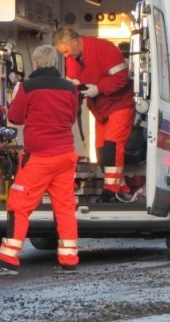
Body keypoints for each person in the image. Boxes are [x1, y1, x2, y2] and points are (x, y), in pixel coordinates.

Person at [0, 45, 80, 276]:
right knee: (64, 207)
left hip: (40, 158)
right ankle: (69, 259)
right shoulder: (70, 88)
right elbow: (72, 117)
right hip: (65, 156)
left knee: (19, 206)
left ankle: (8, 259)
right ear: (55, 64)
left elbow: (14, 117)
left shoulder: (27, 87)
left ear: (35, 64)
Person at [54, 28, 135, 202]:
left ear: (75, 42)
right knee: (101, 151)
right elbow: (74, 86)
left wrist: (98, 88)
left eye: (66, 51)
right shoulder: (73, 59)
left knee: (112, 147)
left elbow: (122, 77)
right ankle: (121, 188)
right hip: (100, 109)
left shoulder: (105, 50)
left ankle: (111, 192)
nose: (66, 56)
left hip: (120, 104)